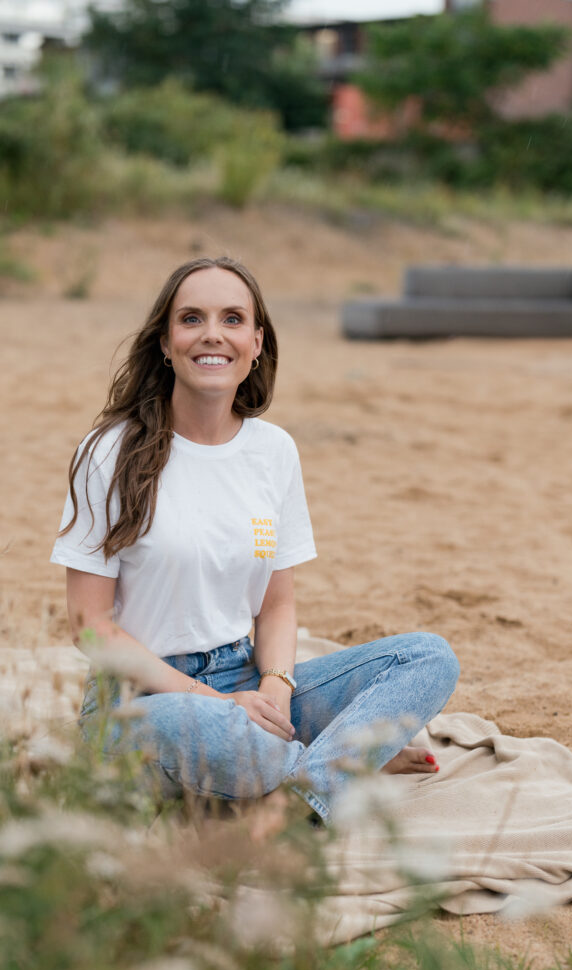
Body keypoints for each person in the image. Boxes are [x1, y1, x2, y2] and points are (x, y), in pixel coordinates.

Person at [51, 257, 459, 824]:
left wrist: (275, 691)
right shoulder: (108, 452)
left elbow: (278, 602)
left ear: (256, 342)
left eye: (232, 319)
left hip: (243, 677)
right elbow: (90, 629)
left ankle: (299, 789)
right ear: (166, 343)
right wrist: (220, 705)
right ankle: (338, 764)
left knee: (428, 658)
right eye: (192, 319)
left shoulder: (273, 452)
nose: (212, 334)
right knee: (236, 742)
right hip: (144, 702)